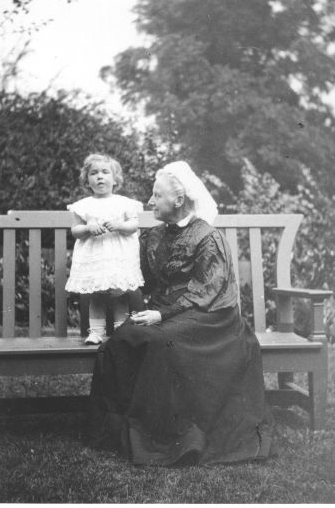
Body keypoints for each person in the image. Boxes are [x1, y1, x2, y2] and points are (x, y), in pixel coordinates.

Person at [86, 160, 274, 465]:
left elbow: (207, 289)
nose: (149, 201)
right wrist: (119, 284)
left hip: (211, 318)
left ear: (178, 200)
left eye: (156, 195)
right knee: (122, 339)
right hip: (169, 312)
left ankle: (175, 439)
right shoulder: (155, 236)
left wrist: (162, 315)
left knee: (161, 344)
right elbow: (143, 277)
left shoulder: (207, 237)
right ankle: (121, 432)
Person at [65, 153, 144, 345]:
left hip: (118, 257)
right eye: (94, 173)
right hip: (96, 257)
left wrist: (119, 225)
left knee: (120, 294)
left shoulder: (125, 203)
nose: (99, 176)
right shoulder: (83, 206)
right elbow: (75, 230)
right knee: (97, 296)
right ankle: (97, 332)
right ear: (87, 179)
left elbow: (134, 226)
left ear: (115, 178)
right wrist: (88, 228)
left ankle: (121, 330)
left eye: (105, 172)